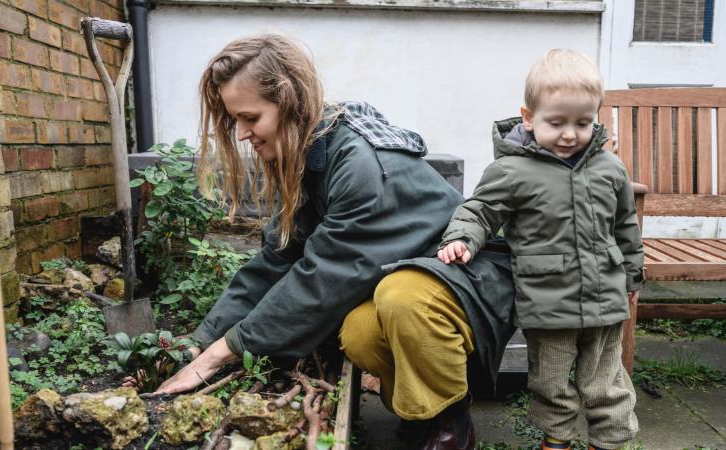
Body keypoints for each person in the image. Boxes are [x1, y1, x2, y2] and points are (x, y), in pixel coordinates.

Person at [154, 34, 516, 450]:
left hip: (468, 281)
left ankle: (452, 424)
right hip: (416, 283)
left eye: (250, 118)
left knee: (402, 298)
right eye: (235, 119)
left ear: (288, 102)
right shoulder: (312, 156)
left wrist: (221, 353)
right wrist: (200, 341)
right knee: (358, 330)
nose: (240, 133)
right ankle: (421, 411)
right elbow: (277, 261)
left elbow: (319, 282)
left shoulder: (358, 167)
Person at [437, 49, 644, 450]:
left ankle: (610, 441)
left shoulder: (609, 168)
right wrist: (460, 239)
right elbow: (480, 211)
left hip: (604, 298)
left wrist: (633, 274)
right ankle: (558, 439)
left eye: (583, 123)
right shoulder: (512, 171)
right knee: (550, 381)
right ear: (528, 117)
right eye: (557, 123)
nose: (570, 134)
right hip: (546, 301)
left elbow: (625, 226)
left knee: (607, 383)